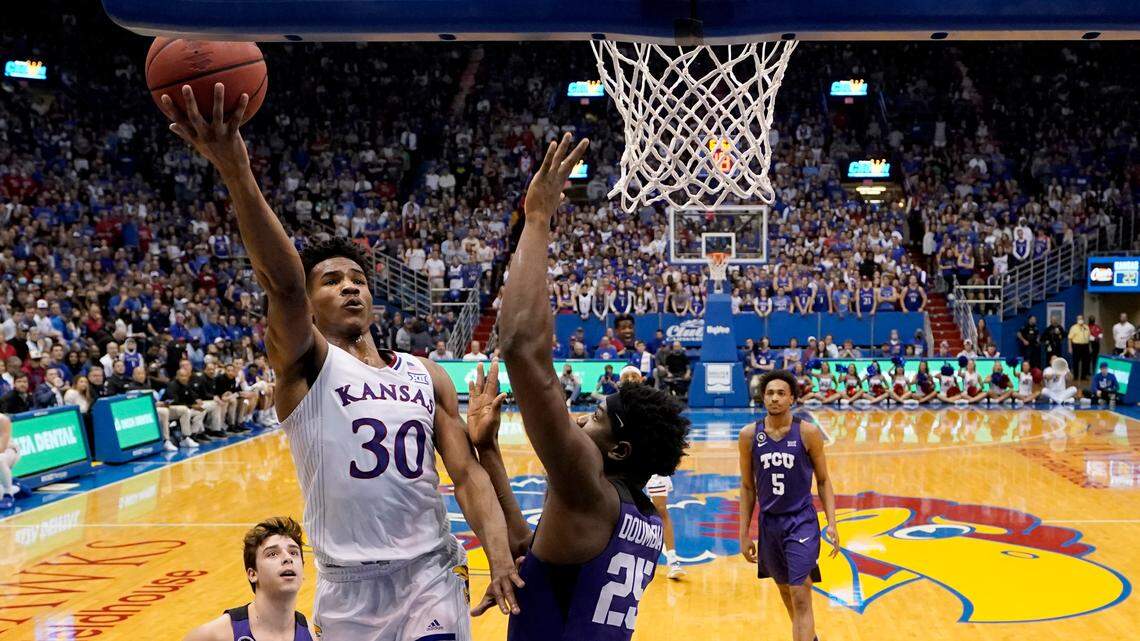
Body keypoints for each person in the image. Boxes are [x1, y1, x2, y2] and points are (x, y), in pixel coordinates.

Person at [160, 84, 521, 637]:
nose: (350, 287)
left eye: (358, 279)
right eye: (331, 280)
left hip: (431, 572)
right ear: (310, 303)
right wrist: (236, 170)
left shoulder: (428, 374)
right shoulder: (306, 367)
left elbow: (467, 476)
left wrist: (497, 557)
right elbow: (281, 285)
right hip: (347, 587)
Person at [480, 133, 690, 639]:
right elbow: (536, 548)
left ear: (618, 449)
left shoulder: (588, 488)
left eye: (595, 418)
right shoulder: (642, 516)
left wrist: (536, 220)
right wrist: (488, 451)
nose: (579, 418)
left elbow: (523, 347)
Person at [738, 370, 839, 641]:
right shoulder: (749, 435)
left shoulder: (808, 433)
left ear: (792, 398)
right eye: (770, 393)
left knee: (800, 592)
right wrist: (743, 533)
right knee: (785, 591)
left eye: (781, 393)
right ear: (762, 398)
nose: (774, 398)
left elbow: (824, 480)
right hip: (769, 524)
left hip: (801, 521)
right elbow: (748, 488)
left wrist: (832, 522)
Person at [183, 517, 314, 641]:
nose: (288, 558)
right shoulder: (216, 635)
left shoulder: (312, 635)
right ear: (252, 574)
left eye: (293, 552)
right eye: (272, 554)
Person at [619, 366, 685, 580]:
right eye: (626, 377)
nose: (630, 379)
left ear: (641, 379)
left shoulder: (655, 400)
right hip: (628, 465)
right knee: (625, 512)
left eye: (633, 376)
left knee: (660, 509)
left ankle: (673, 560)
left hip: (653, 463)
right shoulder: (615, 404)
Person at [0, 413, 20, 509]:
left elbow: (1, 448)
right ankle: (17, 486)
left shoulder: (2, 420)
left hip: (10, 451)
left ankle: (8, 494)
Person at [1068, 315, 1091, 381]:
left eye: (1081, 318)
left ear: (1083, 319)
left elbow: (1088, 337)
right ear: (1077, 320)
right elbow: (1069, 338)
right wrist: (1070, 348)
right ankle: (1075, 376)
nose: (1080, 320)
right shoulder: (1073, 327)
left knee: (1085, 361)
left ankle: (1083, 376)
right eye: (1079, 319)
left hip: (1085, 346)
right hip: (1076, 346)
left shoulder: (1086, 327)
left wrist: (1089, 347)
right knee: (1075, 361)